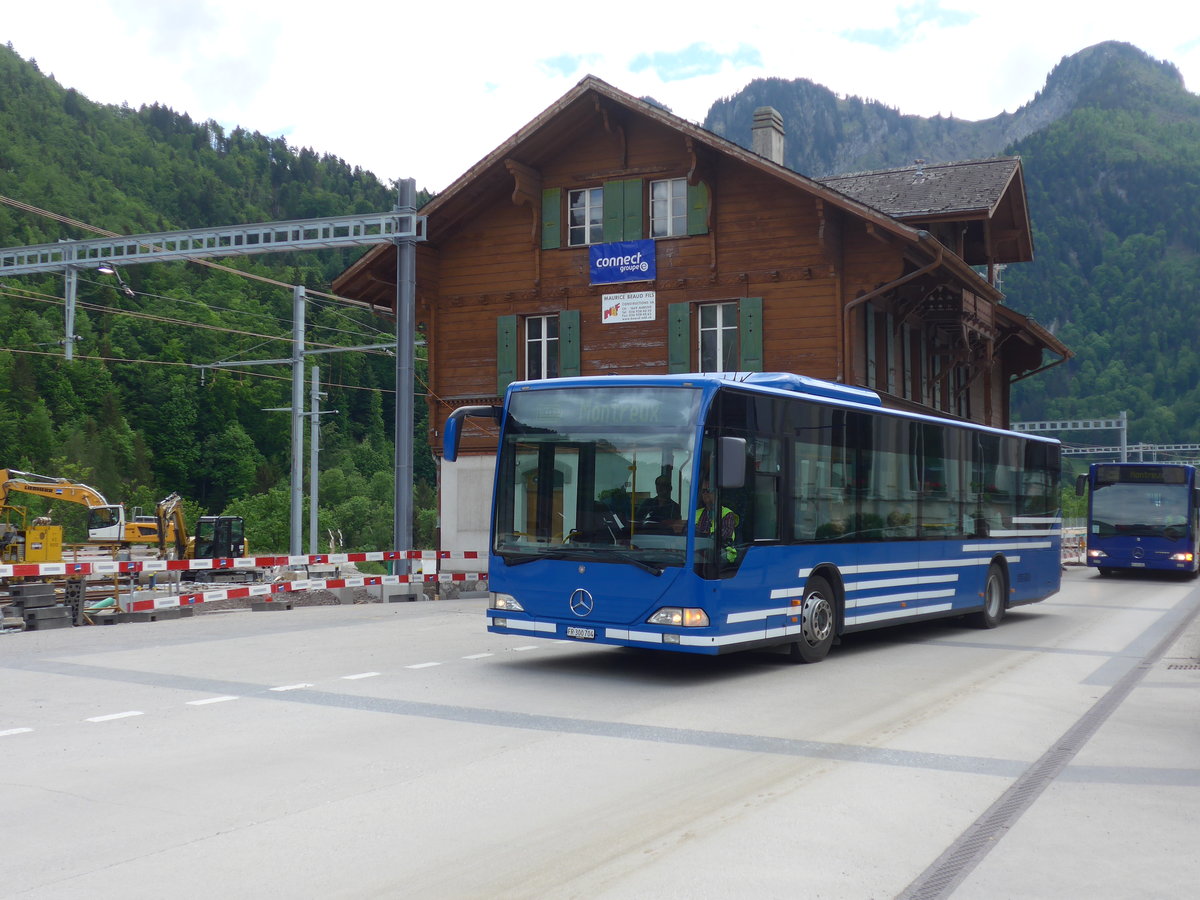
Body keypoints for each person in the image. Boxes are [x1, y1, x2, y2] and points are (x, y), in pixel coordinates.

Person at [696, 480, 739, 563]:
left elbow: (722, 536)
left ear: (716, 493)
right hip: (698, 557)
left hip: (721, 560)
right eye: (703, 491)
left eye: (708, 490)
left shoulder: (727, 513)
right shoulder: (696, 513)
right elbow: (687, 533)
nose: (705, 493)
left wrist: (701, 536)